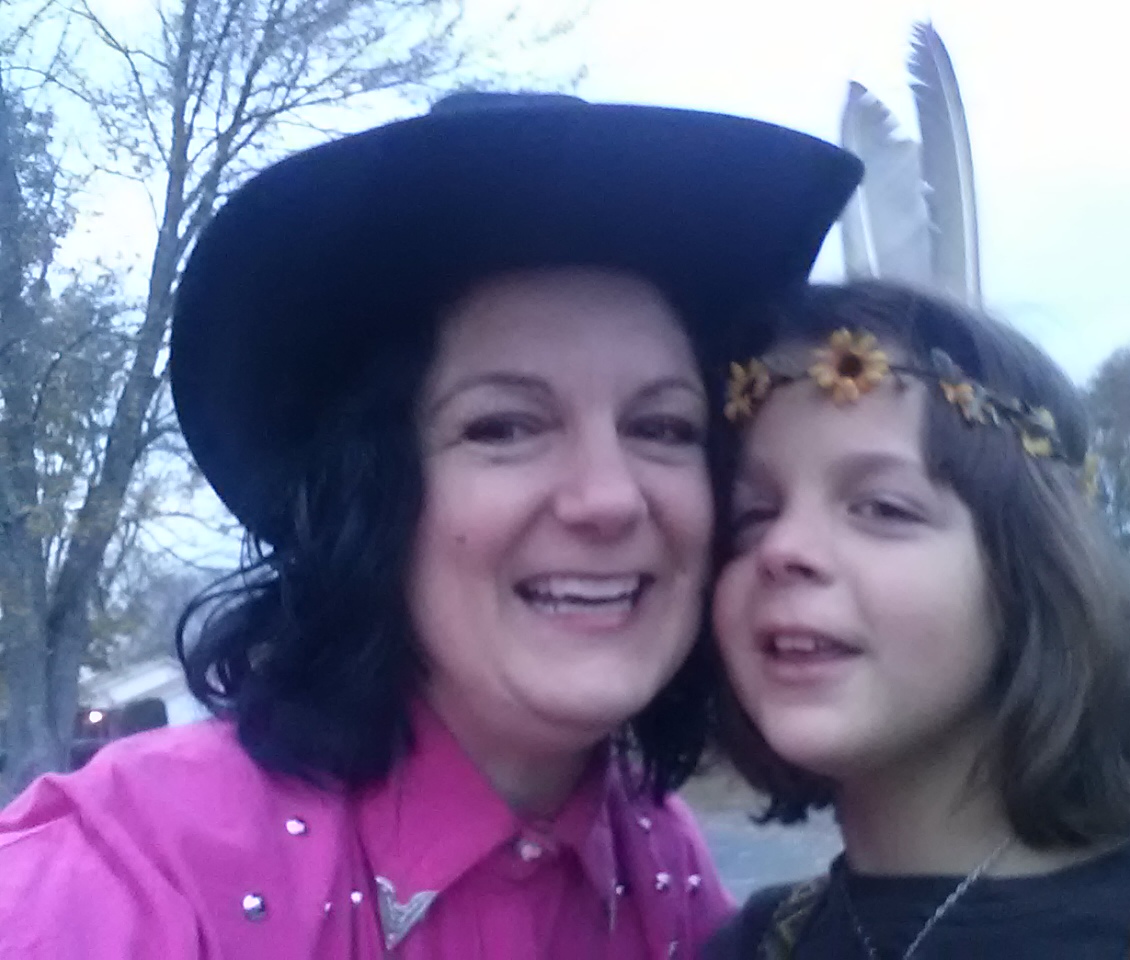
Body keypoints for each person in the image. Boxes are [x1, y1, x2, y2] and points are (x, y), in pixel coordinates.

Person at [0, 93, 863, 959]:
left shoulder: (664, 870)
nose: (609, 498)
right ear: (377, 496)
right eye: (505, 427)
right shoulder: (126, 878)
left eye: (663, 428)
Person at [702, 280, 1130, 959]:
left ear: (1030, 575)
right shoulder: (751, 945)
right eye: (753, 514)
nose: (781, 548)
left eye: (883, 508)